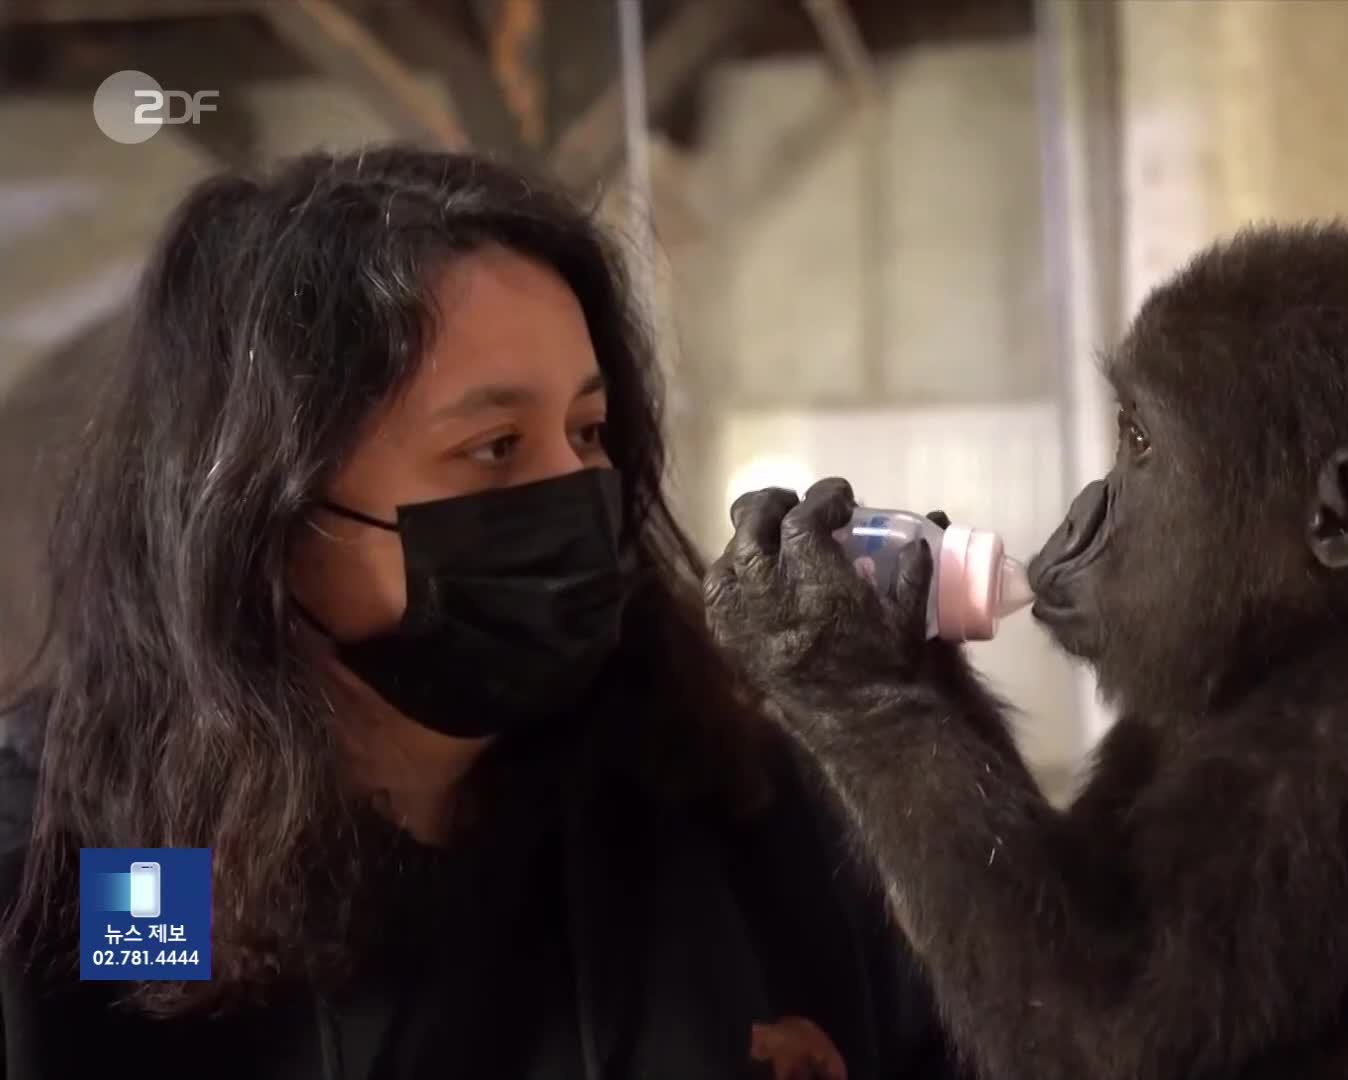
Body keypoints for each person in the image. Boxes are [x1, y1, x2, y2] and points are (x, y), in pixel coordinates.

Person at [0, 145, 961, 1079]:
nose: (578, 490)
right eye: (496, 446)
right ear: (270, 514)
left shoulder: (728, 803)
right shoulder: (80, 884)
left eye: (590, 431)